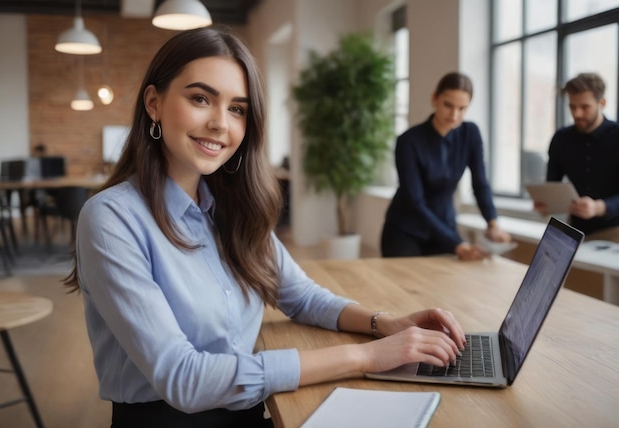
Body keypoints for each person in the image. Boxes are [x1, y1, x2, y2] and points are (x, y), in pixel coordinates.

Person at [63, 26, 467, 427]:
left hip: (252, 411)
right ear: (154, 103)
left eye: (237, 108)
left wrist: (384, 324)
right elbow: (183, 380)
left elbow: (301, 296)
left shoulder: (233, 209)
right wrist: (364, 358)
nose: (221, 123)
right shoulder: (111, 218)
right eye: (201, 98)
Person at [381, 72, 511, 261]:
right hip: (406, 229)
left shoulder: (471, 134)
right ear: (435, 99)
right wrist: (456, 243)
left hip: (444, 224)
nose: (454, 115)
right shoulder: (408, 141)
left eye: (462, 108)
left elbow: (480, 183)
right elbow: (415, 201)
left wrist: (493, 224)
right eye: (448, 105)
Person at [536, 72, 619, 241]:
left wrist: (599, 207)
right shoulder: (560, 139)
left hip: (614, 230)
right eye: (572, 107)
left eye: (584, 107)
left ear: (601, 103)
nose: (577, 114)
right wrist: (546, 203)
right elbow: (552, 184)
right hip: (573, 232)